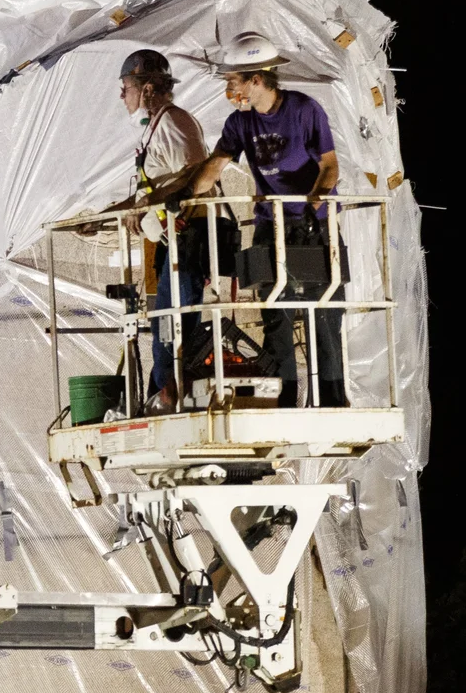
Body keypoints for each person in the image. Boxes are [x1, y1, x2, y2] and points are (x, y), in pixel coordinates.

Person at [156, 32, 346, 407]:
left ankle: (333, 396)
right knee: (274, 310)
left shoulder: (305, 110)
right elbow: (216, 165)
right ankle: (287, 396)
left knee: (323, 312)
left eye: (233, 81)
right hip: (269, 224)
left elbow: (330, 165)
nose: (230, 90)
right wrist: (186, 193)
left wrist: (315, 206)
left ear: (256, 80)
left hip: (313, 226)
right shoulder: (239, 123)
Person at [91, 50, 207, 412]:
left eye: (126, 87)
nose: (122, 95)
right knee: (164, 325)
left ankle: (170, 397)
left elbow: (193, 176)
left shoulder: (173, 122)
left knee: (174, 324)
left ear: (147, 89)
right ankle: (163, 396)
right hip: (172, 240)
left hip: (189, 238)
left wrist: (137, 207)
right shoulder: (157, 126)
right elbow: (159, 184)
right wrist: (130, 213)